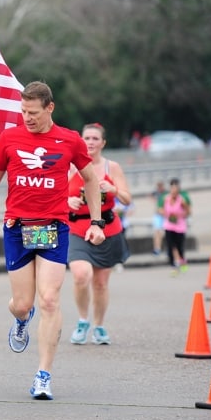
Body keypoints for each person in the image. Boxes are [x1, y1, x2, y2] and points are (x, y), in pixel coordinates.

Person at [0, 81, 105, 400]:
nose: (26, 117)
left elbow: (90, 179)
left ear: (49, 108)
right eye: (23, 111)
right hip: (17, 228)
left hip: (54, 228)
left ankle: (43, 375)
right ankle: (20, 319)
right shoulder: (9, 137)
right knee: (24, 304)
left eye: (32, 112)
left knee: (50, 300)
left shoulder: (69, 139)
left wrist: (95, 221)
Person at [67, 123, 131, 346]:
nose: (91, 142)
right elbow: (52, 195)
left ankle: (99, 326)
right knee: (81, 275)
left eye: (95, 138)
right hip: (77, 228)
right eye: (87, 138)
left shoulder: (111, 167)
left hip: (107, 228)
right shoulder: (71, 167)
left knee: (101, 284)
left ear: (103, 143)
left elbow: (127, 198)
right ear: (81, 141)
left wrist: (113, 190)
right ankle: (83, 320)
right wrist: (67, 201)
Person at [160, 178, 190, 274]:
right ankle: (173, 265)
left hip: (179, 226)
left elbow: (188, 210)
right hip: (169, 225)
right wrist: (164, 213)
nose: (173, 192)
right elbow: (160, 209)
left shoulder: (182, 200)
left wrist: (183, 215)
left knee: (179, 246)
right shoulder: (166, 198)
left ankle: (182, 260)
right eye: (172, 190)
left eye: (175, 191)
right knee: (170, 245)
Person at [151, 180, 166, 255]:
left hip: (165, 215)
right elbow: (150, 195)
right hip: (158, 215)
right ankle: (157, 248)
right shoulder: (156, 193)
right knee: (157, 232)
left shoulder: (166, 194)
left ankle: (167, 248)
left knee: (166, 232)